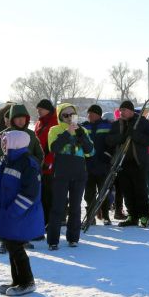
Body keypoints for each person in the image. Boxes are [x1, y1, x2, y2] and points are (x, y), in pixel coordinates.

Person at [0, 131, 41, 296]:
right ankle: (17, 281)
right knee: (10, 245)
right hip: (8, 212)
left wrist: (14, 211)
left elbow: (30, 193)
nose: (3, 145)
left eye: (6, 142)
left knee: (16, 246)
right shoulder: (8, 161)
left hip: (20, 213)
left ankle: (27, 282)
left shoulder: (27, 163)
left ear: (16, 143)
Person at [46, 103, 93, 250]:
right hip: (61, 173)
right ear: (60, 116)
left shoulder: (83, 129)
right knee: (58, 207)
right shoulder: (54, 129)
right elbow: (53, 148)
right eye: (65, 115)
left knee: (75, 208)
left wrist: (81, 135)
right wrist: (67, 133)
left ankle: (73, 238)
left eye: (71, 114)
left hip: (79, 173)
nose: (68, 118)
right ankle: (53, 240)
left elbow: (90, 151)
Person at [105, 100, 149, 228]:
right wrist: (122, 137)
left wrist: (135, 135)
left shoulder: (142, 122)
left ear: (131, 111)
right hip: (122, 163)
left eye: (124, 110)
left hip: (138, 162)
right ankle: (132, 216)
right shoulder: (117, 124)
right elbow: (109, 140)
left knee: (141, 191)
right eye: (120, 110)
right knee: (127, 191)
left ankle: (144, 216)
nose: (121, 112)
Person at [83, 105, 113, 225]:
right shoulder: (84, 126)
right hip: (88, 165)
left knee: (104, 191)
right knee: (89, 193)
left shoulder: (107, 126)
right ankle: (91, 216)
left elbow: (113, 143)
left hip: (103, 165)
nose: (89, 115)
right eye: (88, 113)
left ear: (99, 115)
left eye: (92, 113)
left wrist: (108, 155)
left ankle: (106, 216)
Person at [34, 99, 59, 225]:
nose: (38, 111)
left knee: (50, 193)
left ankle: (50, 220)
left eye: (40, 109)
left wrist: (48, 161)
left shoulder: (55, 122)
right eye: (37, 109)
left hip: (50, 164)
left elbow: (54, 145)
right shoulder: (39, 122)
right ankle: (43, 219)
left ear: (48, 109)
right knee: (42, 192)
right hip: (39, 162)